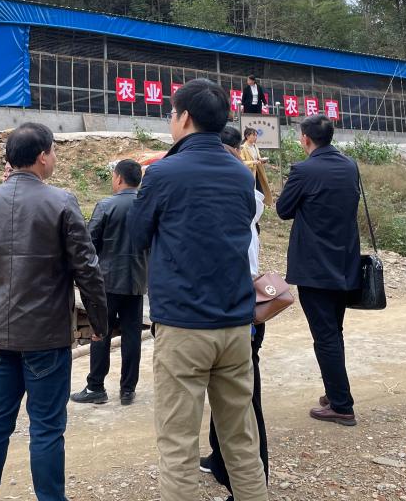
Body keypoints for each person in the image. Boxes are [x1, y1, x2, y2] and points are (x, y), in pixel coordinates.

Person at [128, 78, 268, 501]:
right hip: (235, 326)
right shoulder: (241, 175)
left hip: (183, 327)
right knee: (241, 441)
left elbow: (137, 236)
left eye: (171, 113)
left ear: (185, 117)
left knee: (178, 445)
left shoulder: (163, 173)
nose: (171, 120)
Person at [0, 122, 108, 501]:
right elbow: (87, 269)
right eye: (54, 151)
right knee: (46, 427)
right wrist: (99, 322)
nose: (54, 157)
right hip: (46, 335)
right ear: (43, 156)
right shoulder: (61, 202)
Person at [276, 114, 360, 426]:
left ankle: (341, 405)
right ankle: (335, 391)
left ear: (306, 139)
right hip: (345, 263)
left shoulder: (303, 170)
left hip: (315, 267)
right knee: (333, 331)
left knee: (325, 336)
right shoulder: (350, 165)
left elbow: (283, 210)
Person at [200, 125, 269, 501]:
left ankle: (254, 478)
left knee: (244, 402)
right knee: (228, 396)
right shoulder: (245, 193)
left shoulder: (239, 196)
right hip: (237, 307)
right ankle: (220, 459)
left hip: (239, 309)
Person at [71, 158, 147, 406]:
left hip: (107, 281)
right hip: (136, 281)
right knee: (132, 335)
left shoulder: (106, 205)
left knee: (100, 332)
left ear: (119, 178)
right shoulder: (146, 206)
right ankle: (128, 389)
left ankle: (96, 386)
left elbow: (89, 244)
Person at [240, 127, 274, 206]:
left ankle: (261, 205)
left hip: (258, 171)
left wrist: (262, 160)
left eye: (256, 135)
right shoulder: (243, 148)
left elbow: (258, 158)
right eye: (254, 135)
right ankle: (252, 205)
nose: (256, 137)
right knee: (252, 189)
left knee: (260, 189)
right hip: (250, 172)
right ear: (247, 136)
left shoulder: (255, 146)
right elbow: (242, 162)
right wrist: (254, 162)